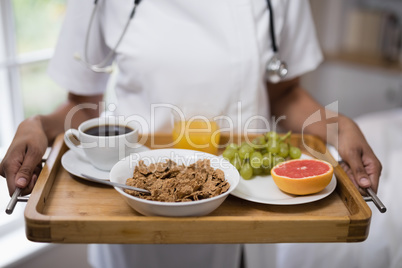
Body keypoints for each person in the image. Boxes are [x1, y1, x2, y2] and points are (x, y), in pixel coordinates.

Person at [0, 0, 381, 267]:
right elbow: (82, 106)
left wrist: (339, 126)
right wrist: (36, 125)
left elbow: (286, 93)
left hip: (246, 208)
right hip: (136, 209)